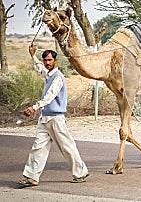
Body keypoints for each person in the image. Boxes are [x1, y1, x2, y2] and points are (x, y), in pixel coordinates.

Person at [17, 45, 89, 188]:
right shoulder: (48, 75)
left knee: (66, 146)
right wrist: (33, 56)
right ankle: (32, 177)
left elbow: (50, 96)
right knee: (38, 147)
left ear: (55, 60)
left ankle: (80, 173)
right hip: (44, 118)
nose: (47, 63)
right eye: (45, 60)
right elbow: (40, 70)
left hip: (56, 118)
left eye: (50, 60)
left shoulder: (58, 78)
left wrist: (35, 107)